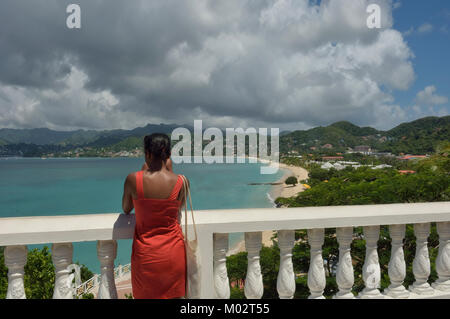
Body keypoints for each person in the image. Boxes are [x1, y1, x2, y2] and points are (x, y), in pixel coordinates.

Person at [122, 133, 188, 299]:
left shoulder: (132, 179)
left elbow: (126, 208)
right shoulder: (182, 182)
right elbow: (179, 208)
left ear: (147, 154)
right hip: (174, 254)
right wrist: (168, 169)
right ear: (169, 155)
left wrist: (144, 171)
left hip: (146, 255)